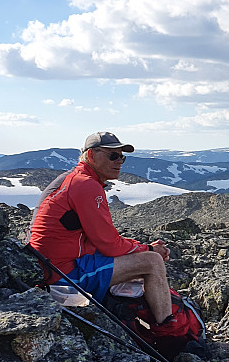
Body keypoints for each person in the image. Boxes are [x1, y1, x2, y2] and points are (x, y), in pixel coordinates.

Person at [29, 132, 174, 325]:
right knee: (153, 262)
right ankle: (170, 330)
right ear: (91, 156)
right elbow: (109, 245)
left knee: (138, 258)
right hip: (64, 275)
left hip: (50, 267)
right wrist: (149, 249)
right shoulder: (86, 185)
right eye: (112, 156)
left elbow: (101, 240)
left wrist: (139, 248)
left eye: (122, 157)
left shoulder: (74, 179)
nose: (119, 162)